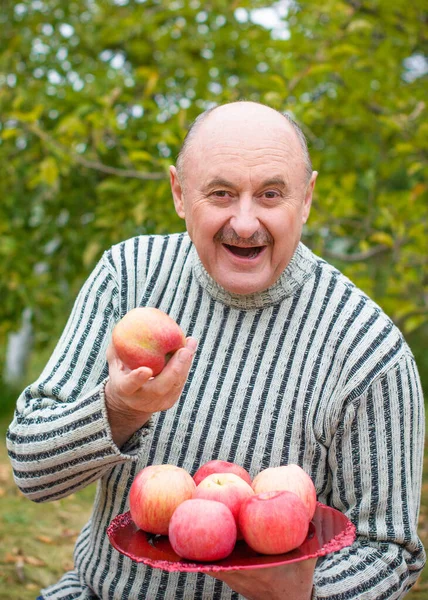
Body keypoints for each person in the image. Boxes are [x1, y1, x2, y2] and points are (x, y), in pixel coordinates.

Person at [7, 101, 425, 600]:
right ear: (180, 193)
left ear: (307, 198)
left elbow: (391, 549)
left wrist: (306, 593)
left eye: (271, 194)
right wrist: (120, 409)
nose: (244, 223)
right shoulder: (129, 276)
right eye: (221, 193)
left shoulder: (368, 350)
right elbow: (32, 472)